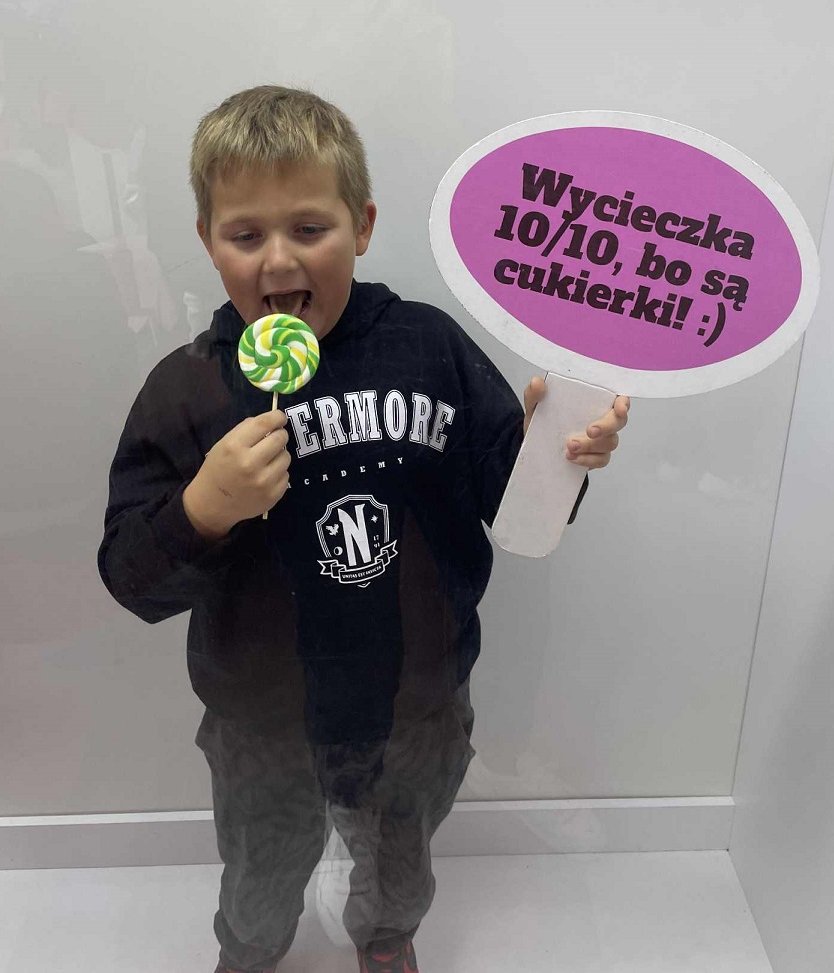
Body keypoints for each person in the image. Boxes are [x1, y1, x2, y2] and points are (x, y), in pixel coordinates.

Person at [98, 86, 629, 973]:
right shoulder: (188, 384)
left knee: (400, 860)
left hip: (415, 700)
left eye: (310, 227)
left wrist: (560, 449)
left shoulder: (428, 347)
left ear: (364, 225)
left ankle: (384, 939)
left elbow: (518, 509)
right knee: (261, 866)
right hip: (261, 716)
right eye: (245, 234)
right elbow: (129, 575)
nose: (278, 258)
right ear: (206, 240)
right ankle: (252, 946)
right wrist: (206, 506)